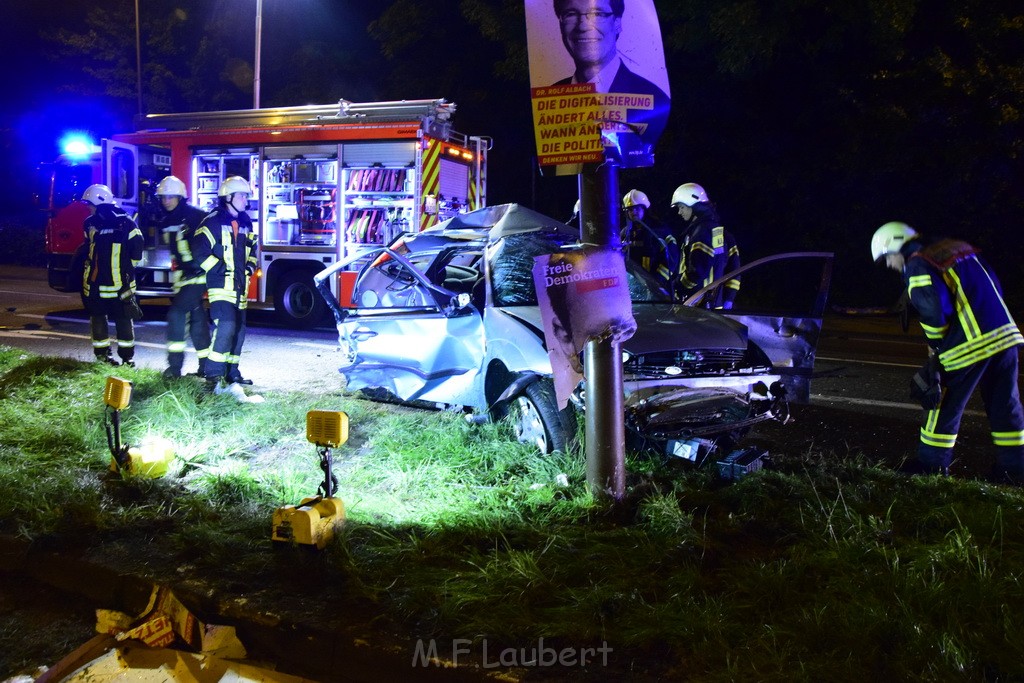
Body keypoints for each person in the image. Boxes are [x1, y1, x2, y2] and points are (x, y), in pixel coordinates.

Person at [871, 221, 1024, 483]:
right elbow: (994, 286)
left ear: (895, 248)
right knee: (1005, 406)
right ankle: (1015, 470)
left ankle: (931, 466)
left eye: (886, 258)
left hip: (968, 345)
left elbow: (932, 308)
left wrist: (936, 349)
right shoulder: (958, 250)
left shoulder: (918, 263)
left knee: (940, 404)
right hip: (1005, 338)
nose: (888, 265)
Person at [551, 0, 670, 149]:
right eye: (571, 15)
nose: (583, 26)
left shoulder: (655, 102)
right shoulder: (551, 98)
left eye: (597, 14)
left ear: (617, 23)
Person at [192, 176, 260, 400]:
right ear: (228, 197)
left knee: (239, 331)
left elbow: (252, 251)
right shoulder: (211, 222)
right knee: (227, 326)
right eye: (241, 195)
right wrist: (219, 269)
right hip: (221, 287)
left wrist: (250, 268)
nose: (245, 200)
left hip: (241, 286)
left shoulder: (246, 222)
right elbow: (199, 253)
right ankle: (212, 377)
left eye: (246, 195)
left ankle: (232, 374)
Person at [80, 184, 144, 367]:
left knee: (104, 318)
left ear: (99, 203)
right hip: (118, 285)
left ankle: (107, 357)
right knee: (120, 320)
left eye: (90, 204)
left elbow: (87, 249)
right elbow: (137, 251)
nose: (88, 207)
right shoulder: (126, 222)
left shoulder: (92, 223)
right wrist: (128, 270)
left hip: (99, 284)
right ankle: (125, 358)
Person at [155, 175, 212, 380]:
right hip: (183, 277)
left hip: (198, 275)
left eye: (171, 196)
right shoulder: (167, 220)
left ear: (181, 197)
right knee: (197, 320)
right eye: (163, 197)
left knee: (176, 314)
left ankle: (174, 368)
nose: (166, 201)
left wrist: (198, 266)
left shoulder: (196, 217)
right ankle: (207, 367)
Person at [669, 182, 740, 308]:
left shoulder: (701, 232)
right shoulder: (721, 233)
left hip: (697, 306)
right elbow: (734, 269)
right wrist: (729, 298)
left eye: (682, 207)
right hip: (714, 306)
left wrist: (678, 286)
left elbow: (697, 272)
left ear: (694, 206)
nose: (679, 212)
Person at [621, 189, 676, 294]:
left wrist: (657, 281)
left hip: (657, 288)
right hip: (634, 288)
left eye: (637, 209)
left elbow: (672, 258)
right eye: (629, 210)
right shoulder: (625, 233)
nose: (633, 212)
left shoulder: (659, 230)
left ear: (645, 209)